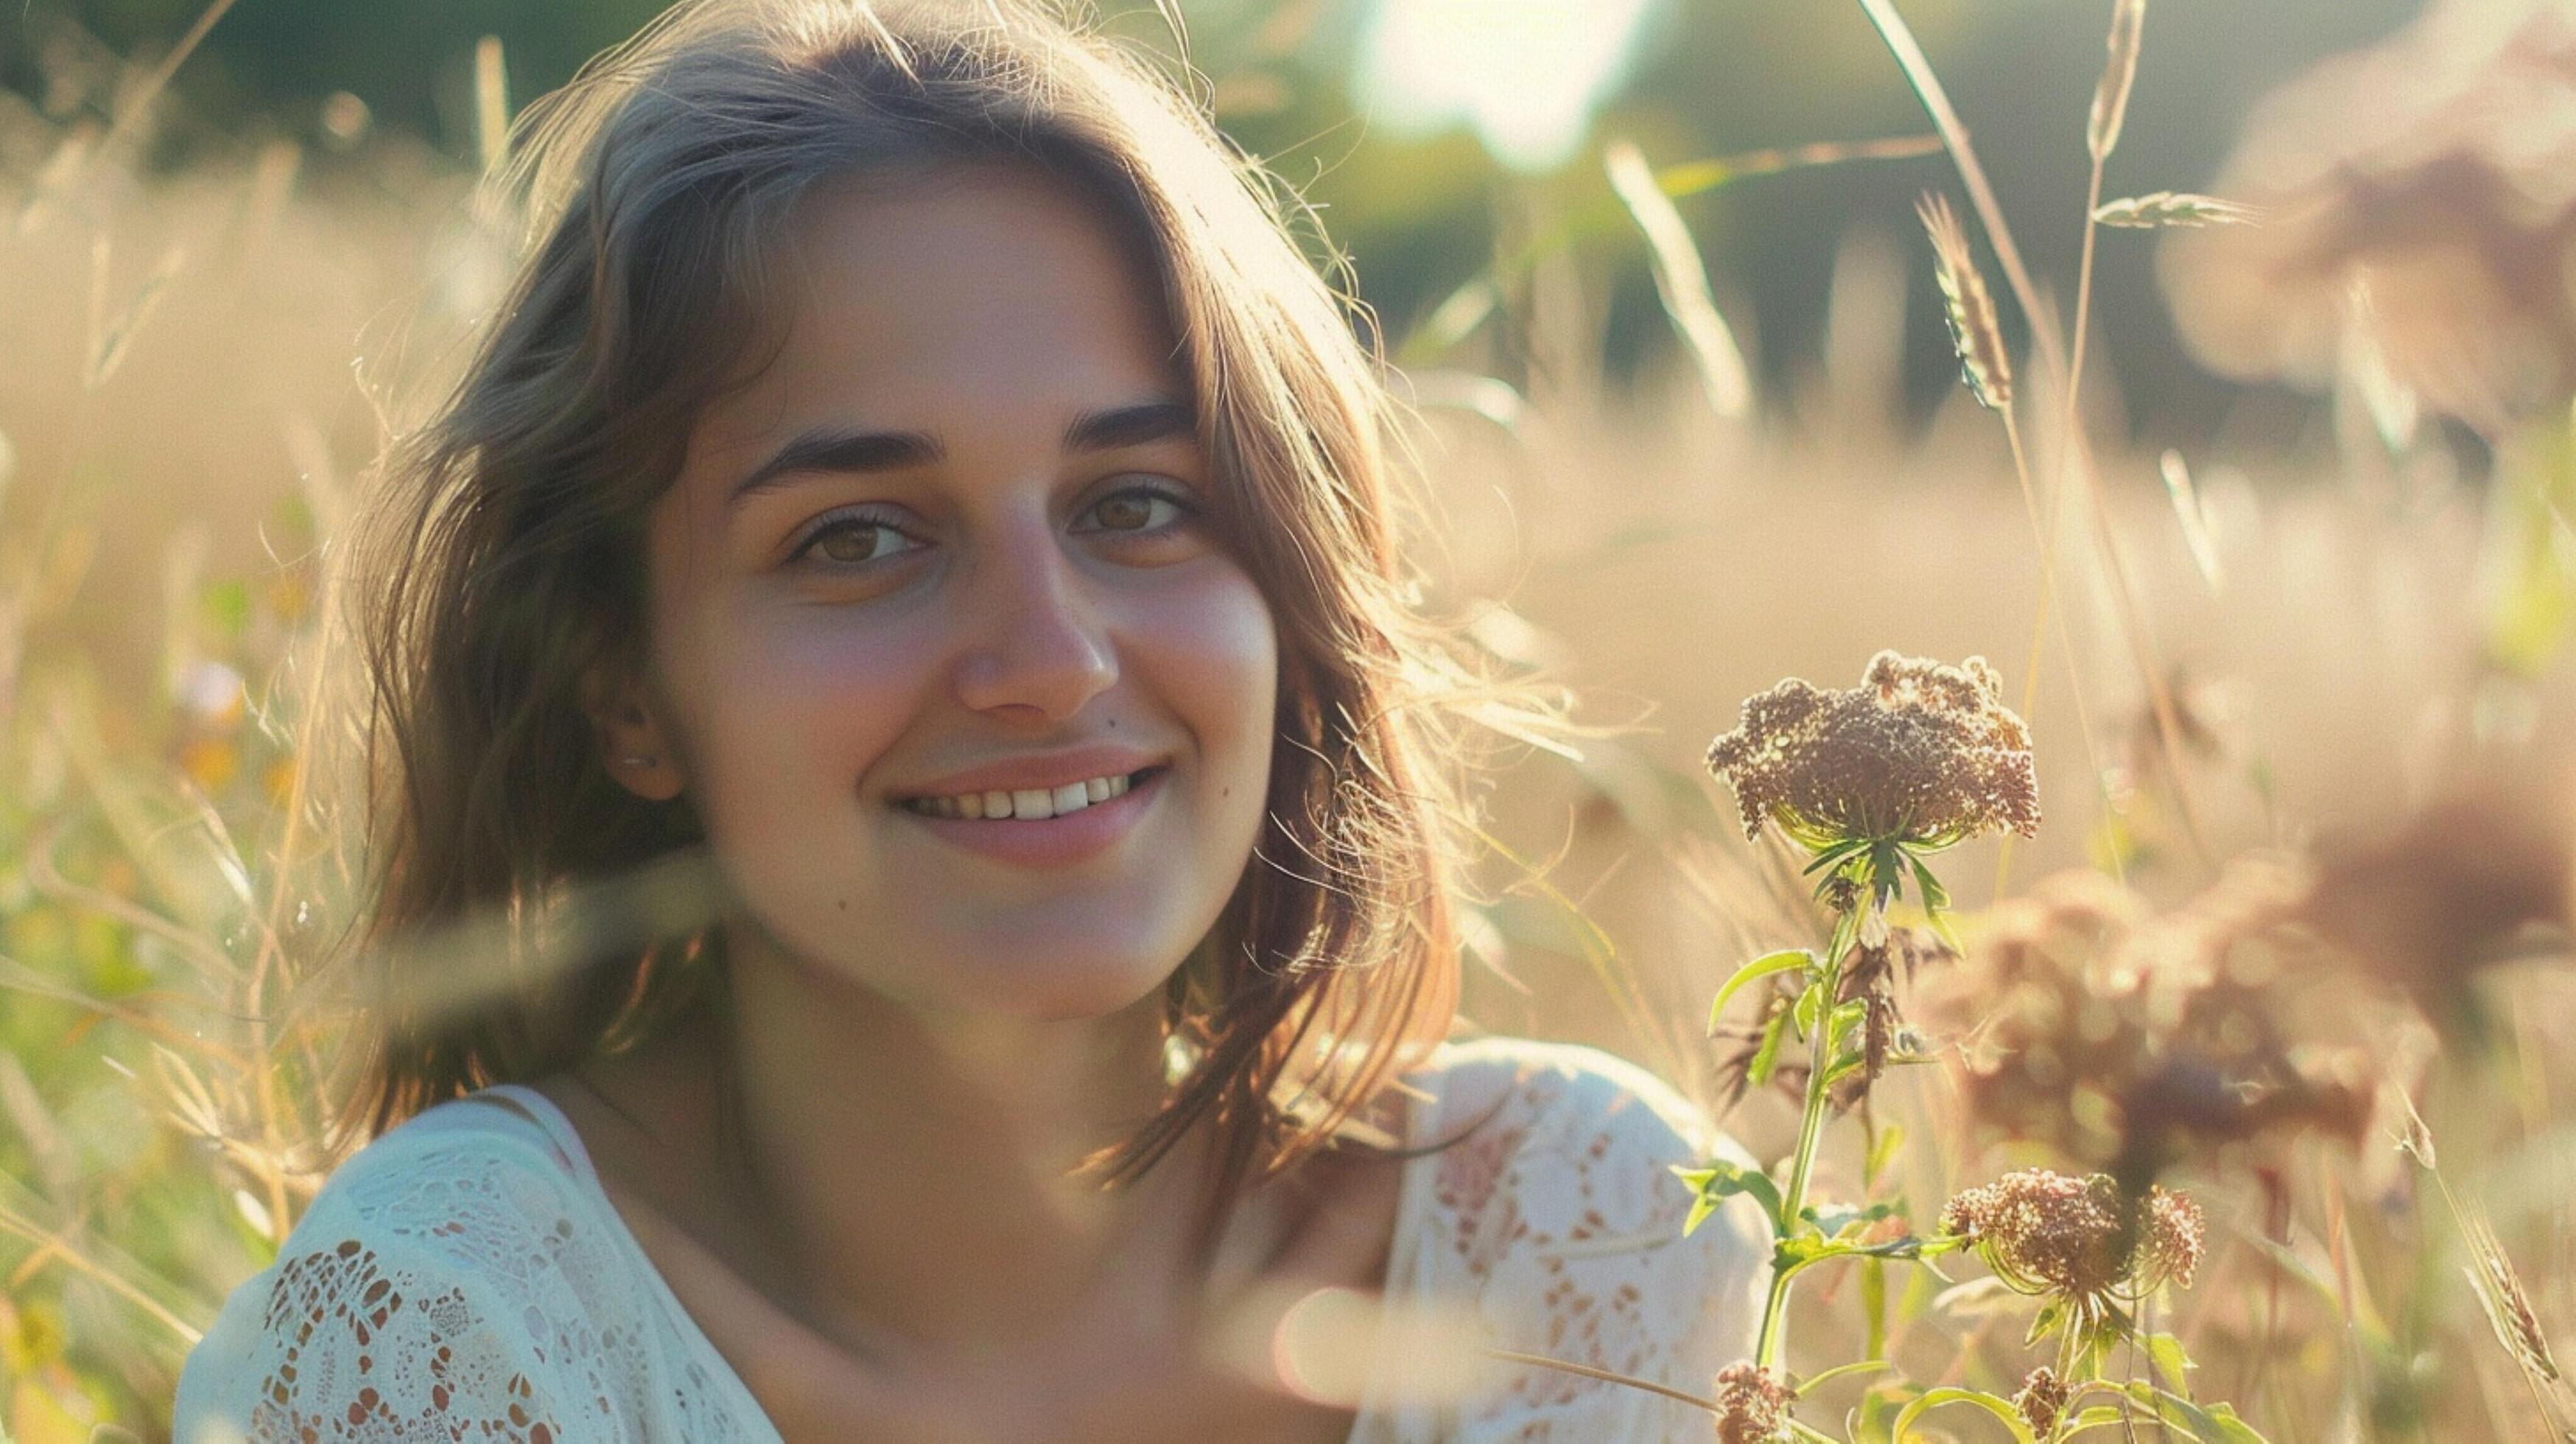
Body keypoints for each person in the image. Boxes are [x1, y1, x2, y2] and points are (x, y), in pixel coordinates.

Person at [171, 1, 1766, 1438]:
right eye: (856, 535)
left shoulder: (1592, 1235)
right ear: (625, 692)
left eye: (1140, 501)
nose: (1050, 658)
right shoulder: (459, 1332)